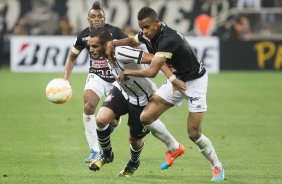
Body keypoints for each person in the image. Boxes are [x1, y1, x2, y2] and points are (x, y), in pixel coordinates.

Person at [111, 7, 224, 182]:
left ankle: (217, 166)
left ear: (157, 22)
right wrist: (113, 43)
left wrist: (127, 73)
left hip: (194, 83)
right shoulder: (149, 34)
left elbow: (152, 71)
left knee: (194, 133)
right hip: (177, 79)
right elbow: (133, 41)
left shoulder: (168, 39)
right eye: (142, 28)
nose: (145, 32)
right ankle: (174, 147)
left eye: (148, 27)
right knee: (146, 117)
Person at [86, 27, 185, 176]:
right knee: (100, 120)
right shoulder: (107, 53)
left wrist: (172, 79)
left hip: (142, 98)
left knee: (134, 140)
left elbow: (156, 59)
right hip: (122, 90)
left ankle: (133, 162)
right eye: (89, 46)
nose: (90, 49)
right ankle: (107, 155)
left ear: (105, 44)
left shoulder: (122, 52)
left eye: (94, 46)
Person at [63, 1, 128, 163]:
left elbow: (131, 45)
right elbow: (72, 57)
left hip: (116, 79)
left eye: (100, 16)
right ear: (88, 20)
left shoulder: (115, 32)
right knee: (88, 106)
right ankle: (94, 150)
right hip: (96, 76)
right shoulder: (84, 36)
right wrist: (65, 79)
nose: (97, 19)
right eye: (93, 16)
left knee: (112, 120)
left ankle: (109, 127)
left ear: (104, 19)